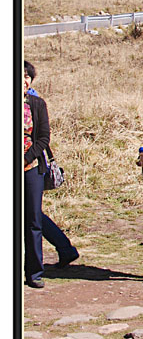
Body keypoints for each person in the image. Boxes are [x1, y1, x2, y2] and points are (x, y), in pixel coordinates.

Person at [23, 61, 79, 288]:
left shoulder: (36, 104)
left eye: (27, 76)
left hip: (31, 168)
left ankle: (35, 273)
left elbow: (43, 138)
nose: (24, 80)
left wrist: (25, 159)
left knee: (34, 220)